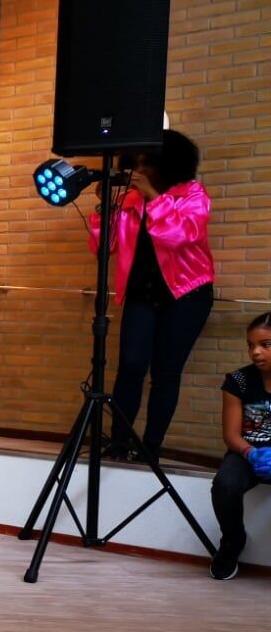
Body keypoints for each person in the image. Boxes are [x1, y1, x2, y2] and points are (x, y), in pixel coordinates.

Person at [90, 129, 215, 461]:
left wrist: (153, 197)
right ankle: (119, 441)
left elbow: (180, 236)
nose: (139, 171)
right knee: (130, 367)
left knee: (165, 372)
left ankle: (151, 447)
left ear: (167, 164)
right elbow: (103, 247)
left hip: (188, 294)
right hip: (141, 293)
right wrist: (104, 208)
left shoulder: (193, 194)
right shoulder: (129, 200)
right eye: (136, 164)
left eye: (146, 164)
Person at [210, 312, 271, 581]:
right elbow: (231, 435)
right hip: (247, 451)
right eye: (250, 345)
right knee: (225, 484)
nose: (255, 352)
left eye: (265, 345)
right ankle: (232, 543)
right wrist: (252, 453)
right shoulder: (238, 381)